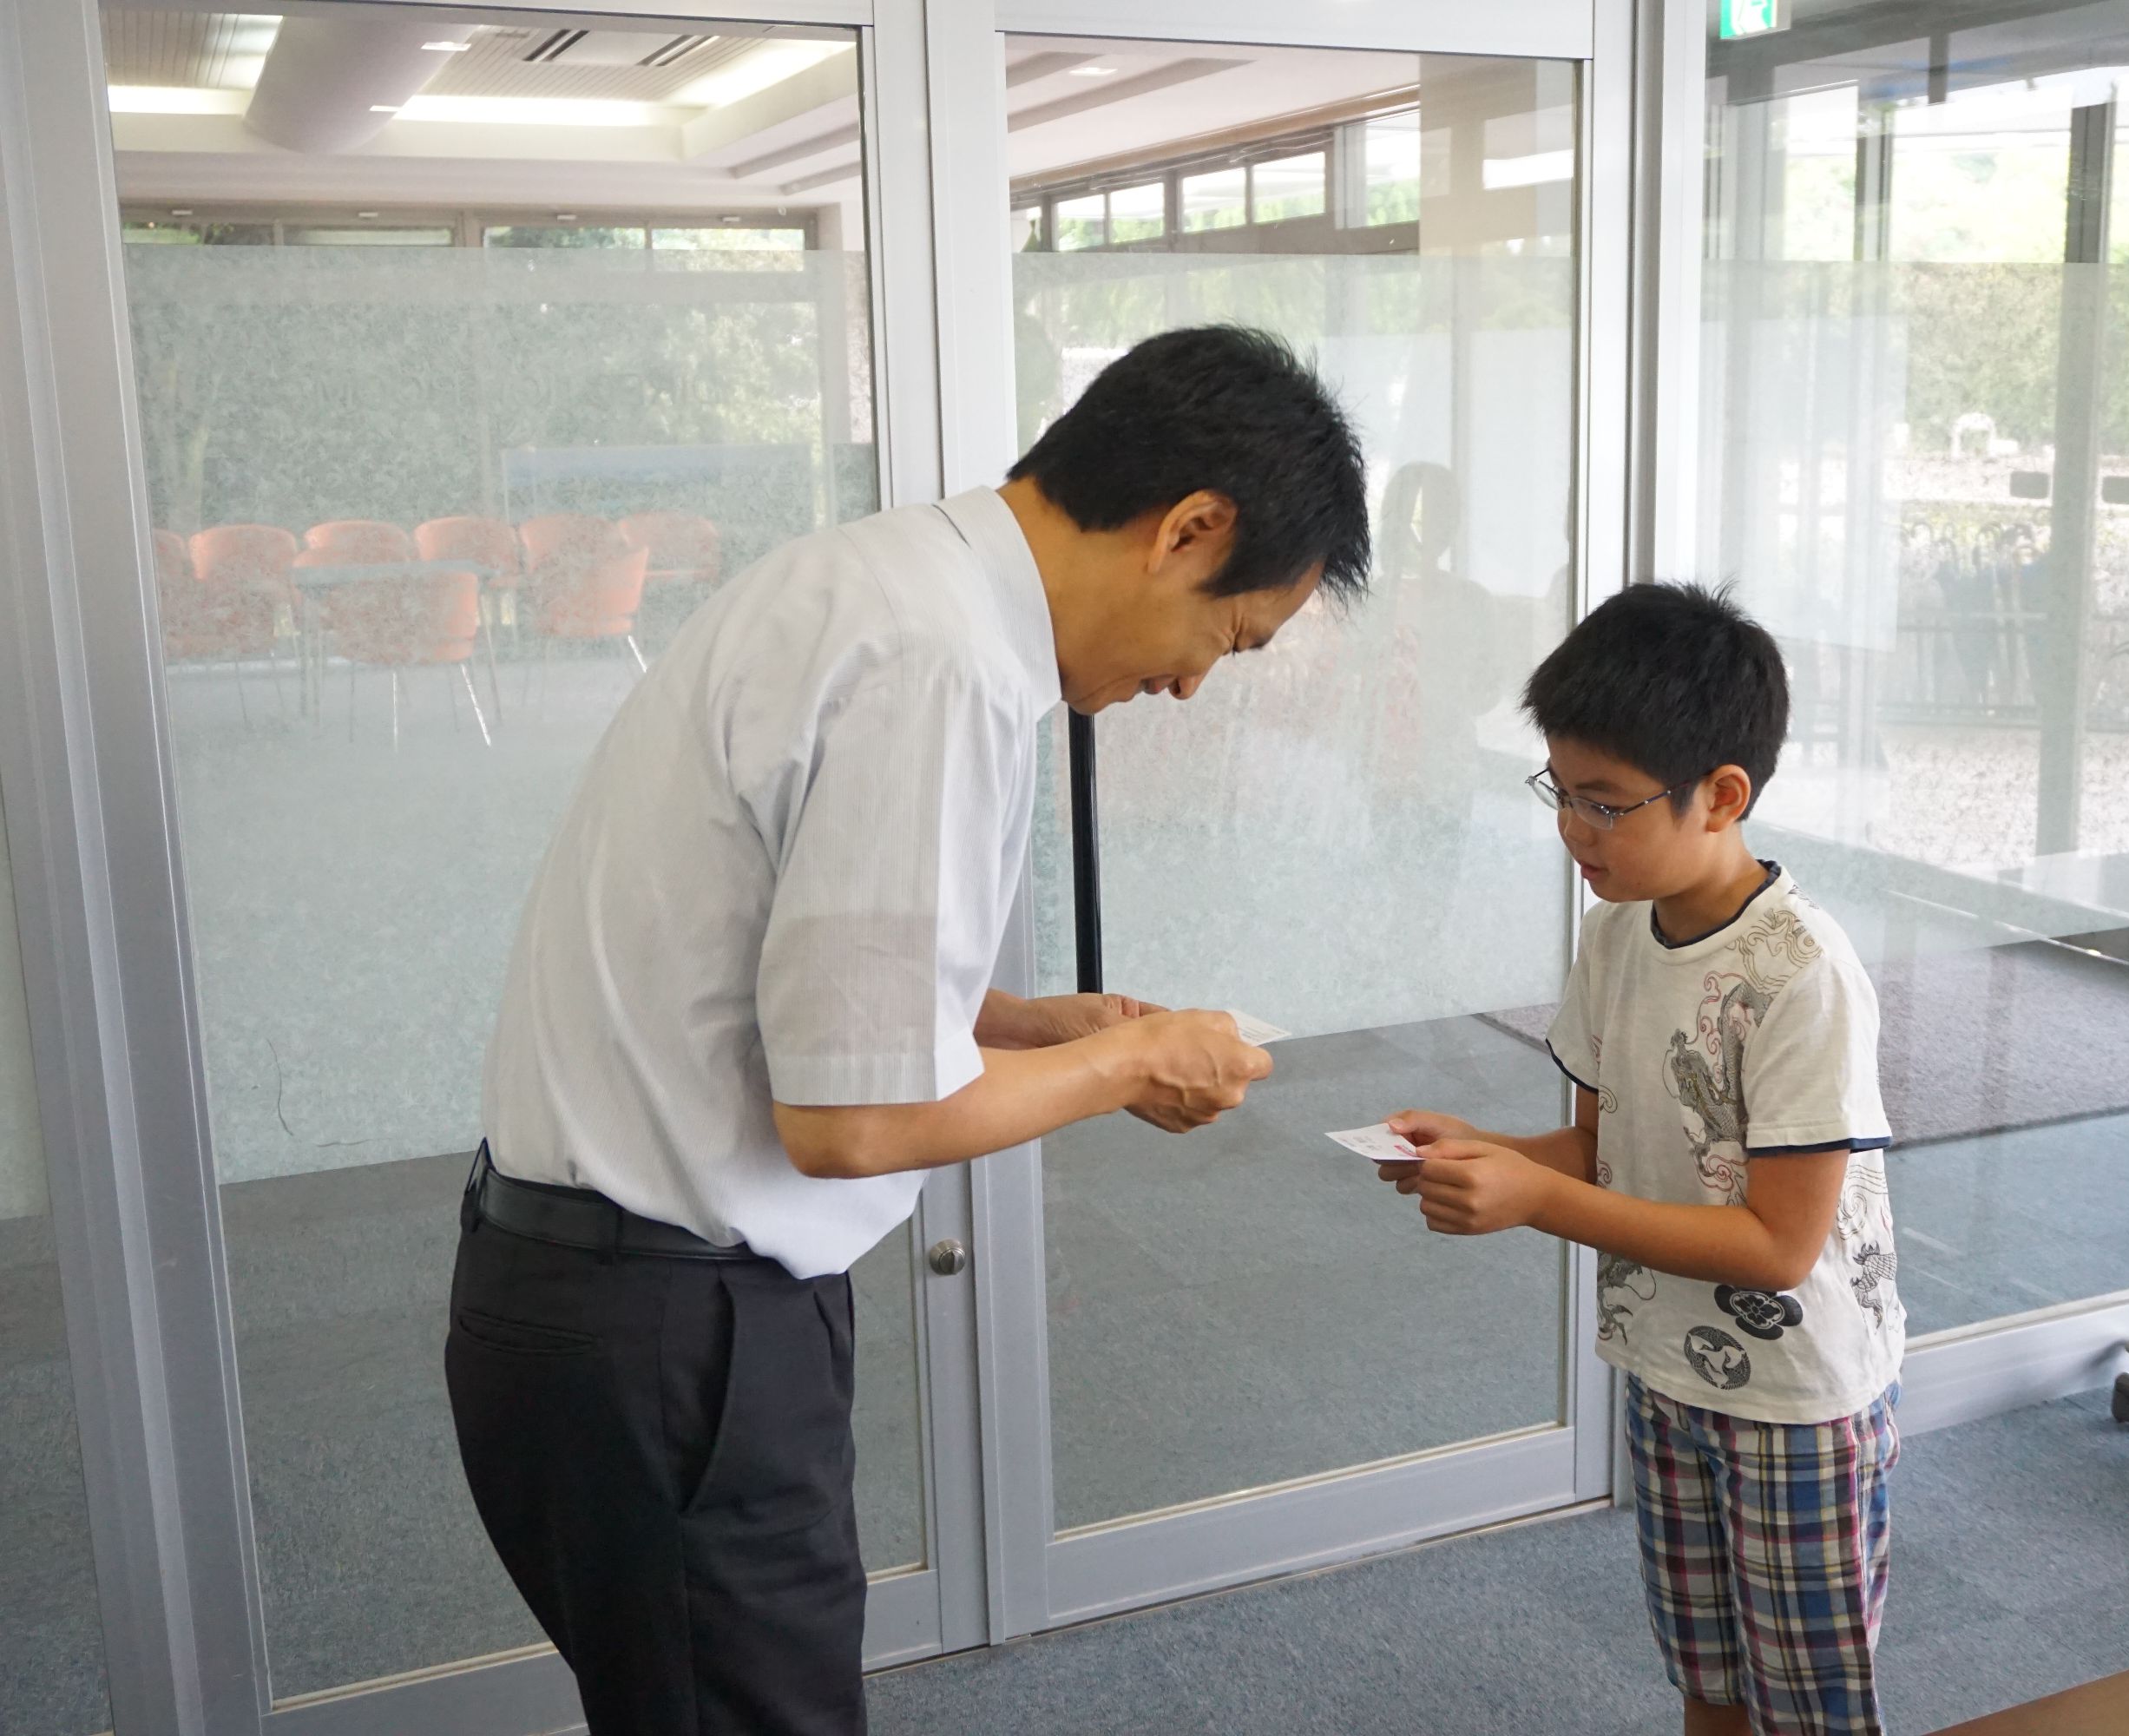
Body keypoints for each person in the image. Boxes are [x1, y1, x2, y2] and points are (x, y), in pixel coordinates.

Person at [446, 325, 1370, 1735]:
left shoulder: (870, 582)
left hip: (596, 1300)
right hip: (671, 1328)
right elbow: (855, 1121)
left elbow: (791, 960)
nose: (1193, 684)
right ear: (1189, 530)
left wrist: (1022, 1023)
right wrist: (1127, 1058)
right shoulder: (944, 664)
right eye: (1228, 637)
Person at [1378, 582, 1903, 1736]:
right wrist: (1483, 1151)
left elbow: (1779, 1247)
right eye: (1561, 792)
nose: (1575, 830)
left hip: (1796, 1398)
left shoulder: (1800, 974)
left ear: (1724, 795)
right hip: (1670, 1367)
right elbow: (1599, 1146)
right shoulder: (1618, 930)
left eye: (1606, 804)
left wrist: (1532, 1198)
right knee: (1705, 1676)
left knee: (1809, 1703)